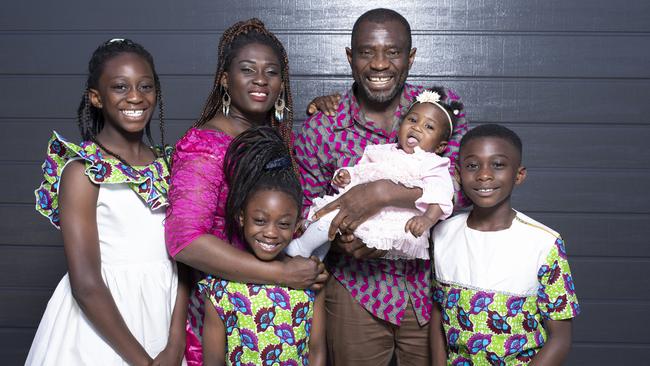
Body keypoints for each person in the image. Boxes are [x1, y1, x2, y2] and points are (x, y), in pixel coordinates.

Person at [293, 8, 468, 365]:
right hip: (356, 289)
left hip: (429, 287)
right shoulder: (321, 128)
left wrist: (382, 193)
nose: (379, 64)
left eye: (392, 52)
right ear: (350, 57)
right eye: (366, 52)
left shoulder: (441, 111)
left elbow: (463, 187)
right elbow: (310, 208)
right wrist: (343, 240)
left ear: (411, 57)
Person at [164, 19, 327, 365]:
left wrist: (307, 269)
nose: (260, 80)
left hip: (280, 316)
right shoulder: (206, 147)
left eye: (271, 72)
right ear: (225, 79)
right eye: (247, 70)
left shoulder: (279, 138)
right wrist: (282, 273)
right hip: (223, 314)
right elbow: (184, 241)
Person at [26, 39, 187, 365]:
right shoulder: (83, 172)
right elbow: (85, 284)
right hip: (104, 326)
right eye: (119, 87)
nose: (135, 97)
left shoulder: (170, 166)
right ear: (96, 98)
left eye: (146, 86)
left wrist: (175, 343)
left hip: (165, 315)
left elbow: (186, 258)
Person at [430, 124, 580, 365]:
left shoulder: (544, 242)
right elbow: (438, 315)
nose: (484, 175)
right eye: (472, 165)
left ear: (518, 175)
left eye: (498, 165)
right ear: (458, 174)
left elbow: (560, 338)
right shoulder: (442, 233)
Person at [199, 127, 325, 365]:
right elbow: (213, 360)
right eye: (259, 221)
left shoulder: (309, 278)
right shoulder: (219, 286)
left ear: (297, 226)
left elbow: (317, 350)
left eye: (284, 224)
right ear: (241, 218)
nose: (270, 232)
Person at [288, 89, 458, 261]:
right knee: (331, 222)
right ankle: (317, 255)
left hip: (392, 223)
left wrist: (428, 219)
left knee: (331, 220)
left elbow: (441, 193)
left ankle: (300, 247)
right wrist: (345, 176)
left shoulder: (433, 163)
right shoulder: (382, 151)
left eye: (428, 126)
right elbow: (362, 173)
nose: (417, 127)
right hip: (361, 212)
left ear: (440, 147)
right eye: (412, 120)